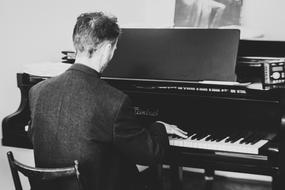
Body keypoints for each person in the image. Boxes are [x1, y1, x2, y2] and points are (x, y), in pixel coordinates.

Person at [28, 12, 187, 190]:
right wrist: (159, 127)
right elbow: (150, 154)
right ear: (107, 48)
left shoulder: (37, 91)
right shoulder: (114, 101)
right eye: (114, 49)